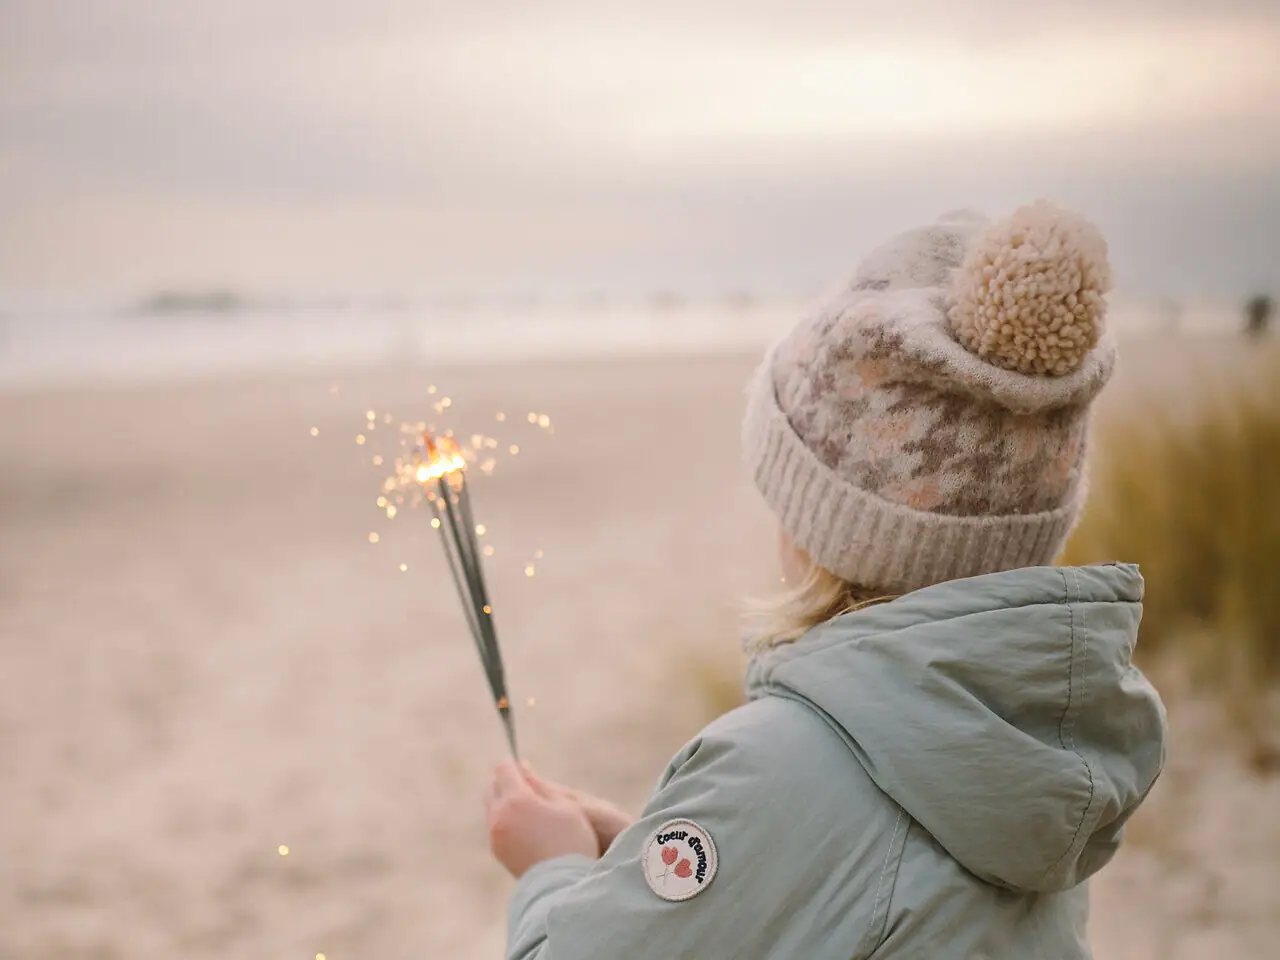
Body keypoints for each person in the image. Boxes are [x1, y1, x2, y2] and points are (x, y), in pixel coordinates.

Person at [483, 203, 1168, 959]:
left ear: (826, 525)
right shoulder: (1034, 738)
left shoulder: (778, 767)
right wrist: (634, 862)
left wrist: (550, 873)